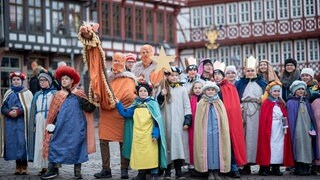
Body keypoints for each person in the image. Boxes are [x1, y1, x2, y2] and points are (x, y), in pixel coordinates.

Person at [79, 23, 136, 179]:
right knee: (104, 140)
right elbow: (99, 86)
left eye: (119, 60)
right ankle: (106, 169)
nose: (116, 63)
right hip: (106, 113)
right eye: (115, 60)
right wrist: (101, 97)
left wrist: (116, 100)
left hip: (121, 113)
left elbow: (130, 96)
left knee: (123, 142)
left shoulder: (130, 78)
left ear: (124, 62)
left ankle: (124, 169)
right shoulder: (106, 77)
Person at [40, 66, 96, 179]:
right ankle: (53, 169)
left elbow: (89, 109)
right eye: (62, 79)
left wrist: (93, 99)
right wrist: (52, 125)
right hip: (60, 128)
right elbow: (53, 113)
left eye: (66, 78)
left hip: (77, 128)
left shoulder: (79, 95)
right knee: (54, 145)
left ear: (72, 81)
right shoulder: (58, 95)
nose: (64, 80)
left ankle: (77, 171)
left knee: (77, 148)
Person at [116, 81, 167, 180]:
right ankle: (141, 173)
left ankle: (154, 173)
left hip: (150, 136)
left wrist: (155, 135)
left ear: (149, 92)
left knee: (151, 155)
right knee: (140, 154)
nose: (143, 93)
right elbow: (126, 114)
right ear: (138, 93)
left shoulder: (153, 104)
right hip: (138, 136)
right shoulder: (135, 104)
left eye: (145, 91)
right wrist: (118, 104)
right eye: (141, 91)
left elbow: (156, 122)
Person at [213, 61, 246, 178]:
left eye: (219, 74)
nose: (217, 76)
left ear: (223, 75)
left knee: (231, 143)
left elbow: (234, 106)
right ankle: (220, 168)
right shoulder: (210, 87)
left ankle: (233, 167)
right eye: (215, 74)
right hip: (215, 120)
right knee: (217, 144)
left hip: (228, 119)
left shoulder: (230, 87)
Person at [157, 66, 192, 179]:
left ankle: (178, 170)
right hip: (167, 121)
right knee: (167, 145)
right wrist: (161, 96)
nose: (174, 77)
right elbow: (157, 104)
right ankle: (167, 171)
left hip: (179, 121)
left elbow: (187, 105)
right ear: (167, 76)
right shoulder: (163, 88)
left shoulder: (182, 89)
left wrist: (187, 119)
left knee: (178, 146)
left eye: (176, 75)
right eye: (172, 75)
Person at [193, 81, 231, 180]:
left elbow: (223, 118)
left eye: (212, 90)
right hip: (206, 133)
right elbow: (198, 119)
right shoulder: (202, 103)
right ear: (205, 91)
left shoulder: (219, 102)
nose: (210, 92)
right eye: (208, 90)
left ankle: (217, 172)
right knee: (207, 150)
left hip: (218, 132)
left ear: (215, 91)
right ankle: (209, 171)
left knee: (218, 150)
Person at [236, 56, 267, 174]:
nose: (250, 73)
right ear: (245, 71)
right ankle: (246, 165)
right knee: (245, 138)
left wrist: (261, 100)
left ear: (256, 71)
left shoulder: (262, 83)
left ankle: (263, 165)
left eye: (252, 70)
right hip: (244, 111)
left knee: (258, 137)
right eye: (248, 70)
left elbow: (267, 96)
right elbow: (236, 98)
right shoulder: (240, 83)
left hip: (258, 112)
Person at [256, 81, 294, 176]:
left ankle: (276, 167)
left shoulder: (281, 103)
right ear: (270, 92)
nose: (276, 93)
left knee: (279, 147)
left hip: (280, 129)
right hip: (270, 128)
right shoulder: (266, 103)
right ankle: (265, 167)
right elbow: (264, 118)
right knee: (268, 146)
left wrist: (285, 126)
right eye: (274, 91)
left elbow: (284, 116)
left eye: (278, 91)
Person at [1, 72, 33, 175]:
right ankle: (17, 165)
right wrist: (8, 112)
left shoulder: (27, 93)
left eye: (18, 80)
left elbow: (30, 108)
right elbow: (3, 107)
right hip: (11, 122)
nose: (16, 81)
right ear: (11, 81)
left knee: (22, 142)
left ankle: (24, 165)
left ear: (22, 81)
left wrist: (19, 111)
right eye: (14, 80)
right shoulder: (8, 93)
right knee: (14, 143)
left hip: (22, 122)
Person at [27, 70, 57, 176]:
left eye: (44, 80)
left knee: (49, 143)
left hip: (50, 120)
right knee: (40, 142)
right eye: (40, 81)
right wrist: (34, 124)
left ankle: (52, 167)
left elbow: (57, 109)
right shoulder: (37, 95)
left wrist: (54, 123)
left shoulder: (54, 94)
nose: (42, 83)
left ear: (49, 81)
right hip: (39, 120)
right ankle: (43, 167)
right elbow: (33, 110)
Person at [287, 80, 316, 176]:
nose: (301, 91)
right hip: (296, 129)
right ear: (294, 90)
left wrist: (312, 127)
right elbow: (290, 117)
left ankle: (307, 167)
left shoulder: (306, 102)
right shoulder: (291, 102)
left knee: (307, 146)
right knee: (298, 146)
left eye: (302, 89)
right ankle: (298, 167)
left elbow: (311, 117)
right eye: (298, 89)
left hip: (307, 129)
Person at [188, 80, 203, 170]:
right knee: (192, 142)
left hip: (202, 124)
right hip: (193, 124)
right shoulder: (191, 98)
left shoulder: (204, 99)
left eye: (199, 88)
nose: (197, 90)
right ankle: (192, 163)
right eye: (195, 88)